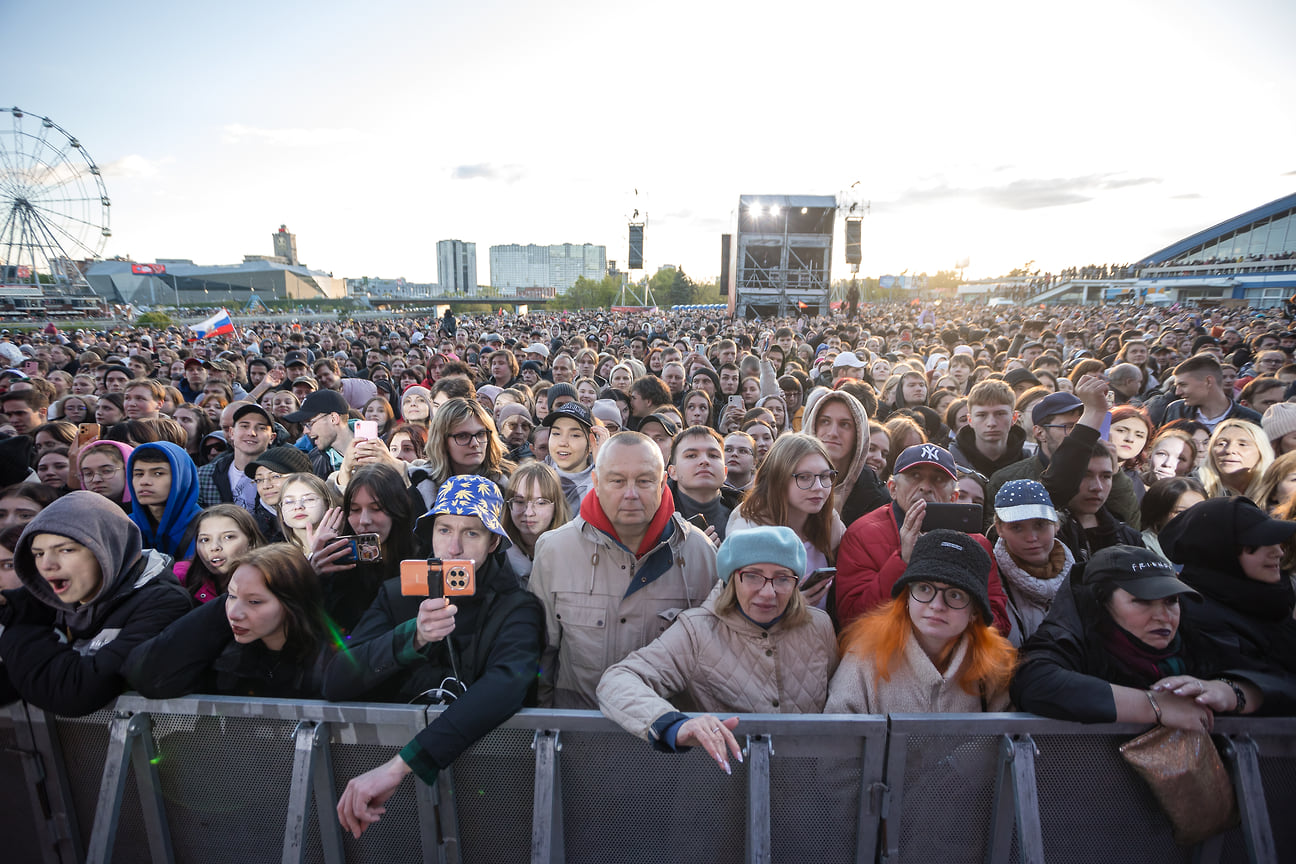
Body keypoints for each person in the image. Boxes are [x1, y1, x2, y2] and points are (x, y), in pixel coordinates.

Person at [328, 476, 544, 838]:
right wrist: (411, 637)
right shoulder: (395, 594)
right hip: (390, 788)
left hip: (486, 780)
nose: (454, 547)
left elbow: (505, 686)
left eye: (471, 533)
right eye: (444, 529)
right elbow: (337, 679)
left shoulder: (516, 607)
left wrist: (403, 765)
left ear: (493, 542)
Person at [597, 526, 837, 771]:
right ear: (732, 578)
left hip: (801, 797)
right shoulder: (697, 631)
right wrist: (673, 724)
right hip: (715, 797)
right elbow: (618, 680)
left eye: (782, 578)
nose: (768, 592)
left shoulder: (818, 627)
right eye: (752, 575)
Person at [530, 432, 718, 708]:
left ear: (663, 482)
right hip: (578, 737)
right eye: (617, 481)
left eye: (644, 481)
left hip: (665, 740)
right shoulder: (554, 551)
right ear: (596, 482)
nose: (630, 494)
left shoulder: (699, 553)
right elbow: (541, 655)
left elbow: (709, 662)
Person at [1012, 545, 1264, 728]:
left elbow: (1278, 679)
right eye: (1142, 601)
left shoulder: (1198, 638)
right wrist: (1154, 705)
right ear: (1101, 602)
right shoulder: (1067, 639)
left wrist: (1230, 691)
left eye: (1171, 601)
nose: (1162, 616)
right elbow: (1035, 680)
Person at [0, 492, 192, 715]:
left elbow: (75, 691)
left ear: (107, 547)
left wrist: (14, 633)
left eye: (66, 550)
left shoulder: (163, 603)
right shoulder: (43, 601)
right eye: (38, 553)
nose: (47, 565)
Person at [827, 530, 1015, 713]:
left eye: (955, 594)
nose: (937, 605)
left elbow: (1010, 740)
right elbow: (836, 739)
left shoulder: (994, 668)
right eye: (925, 588)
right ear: (907, 596)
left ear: (975, 610)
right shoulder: (865, 659)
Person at [836, 443, 1010, 632]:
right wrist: (903, 560)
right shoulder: (863, 534)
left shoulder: (976, 544)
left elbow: (998, 624)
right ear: (892, 488)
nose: (925, 487)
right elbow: (852, 619)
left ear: (953, 497)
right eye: (915, 476)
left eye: (938, 479)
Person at [126, 543, 332, 698]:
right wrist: (226, 604)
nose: (234, 613)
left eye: (254, 601)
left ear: (293, 602)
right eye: (230, 596)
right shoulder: (225, 655)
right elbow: (147, 675)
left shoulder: (328, 660)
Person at [1159, 496, 1296, 710]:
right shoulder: (1194, 610)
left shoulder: (1269, 601)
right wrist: (1237, 691)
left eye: (1276, 541)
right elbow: (1273, 678)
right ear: (1219, 549)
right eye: (1259, 543)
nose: (1278, 551)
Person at [987, 391, 1141, 528]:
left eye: (1083, 426)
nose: (1079, 435)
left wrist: (1114, 474)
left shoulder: (1104, 472)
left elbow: (1131, 523)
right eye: (1070, 427)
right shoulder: (1008, 479)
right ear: (1040, 433)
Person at [727, 434, 843, 609]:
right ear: (777, 479)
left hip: (818, 632)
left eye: (825, 476)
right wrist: (788, 607)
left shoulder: (830, 521)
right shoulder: (747, 527)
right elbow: (733, 603)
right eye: (804, 477)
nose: (818, 486)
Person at [990, 480, 1075, 646]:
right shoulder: (989, 578)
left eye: (1040, 525)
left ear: (1056, 524)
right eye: (1017, 527)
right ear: (999, 529)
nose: (1031, 538)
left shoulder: (1079, 576)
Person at [128, 441, 204, 561]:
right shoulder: (127, 526)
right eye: (138, 474)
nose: (144, 481)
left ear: (181, 477)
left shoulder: (206, 527)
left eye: (158, 473)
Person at [178, 504, 267, 603]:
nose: (214, 547)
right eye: (205, 539)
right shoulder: (181, 576)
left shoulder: (272, 579)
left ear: (251, 541)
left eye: (228, 537)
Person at [197, 403, 275, 510]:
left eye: (261, 428)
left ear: (272, 437)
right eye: (244, 426)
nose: (251, 433)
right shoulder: (205, 475)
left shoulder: (282, 475)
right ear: (231, 432)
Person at [501, 461, 572, 580]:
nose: (529, 512)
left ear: (556, 507)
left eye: (541, 503)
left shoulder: (574, 552)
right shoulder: (495, 554)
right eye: (519, 501)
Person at [667, 426, 737, 544]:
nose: (704, 461)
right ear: (673, 472)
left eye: (713, 455)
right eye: (691, 455)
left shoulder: (747, 517)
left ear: (725, 472)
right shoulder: (652, 517)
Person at [950, 380, 1031, 478]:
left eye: (1000, 414)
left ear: (1014, 418)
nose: (991, 423)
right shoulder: (951, 463)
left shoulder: (1029, 465)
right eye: (982, 415)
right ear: (970, 420)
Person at [1199, 418, 1273, 500]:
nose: (1229, 450)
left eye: (1242, 444)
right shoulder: (1195, 488)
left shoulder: (1274, 491)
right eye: (1221, 443)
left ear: (1261, 451)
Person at [542, 401, 597, 512]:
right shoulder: (534, 477)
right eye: (556, 433)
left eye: (575, 435)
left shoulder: (602, 483)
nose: (563, 443)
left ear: (591, 443)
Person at [1138, 477, 1207, 561]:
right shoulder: (1142, 548)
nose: (1192, 518)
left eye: (1199, 511)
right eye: (1180, 512)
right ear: (1159, 514)